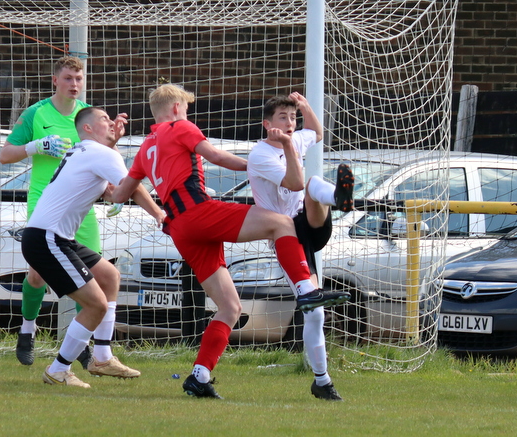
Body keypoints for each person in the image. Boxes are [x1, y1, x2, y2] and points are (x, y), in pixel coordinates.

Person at [110, 83, 350, 399]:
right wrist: (254, 166)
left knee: (230, 307)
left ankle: (199, 376)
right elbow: (214, 155)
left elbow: (120, 194)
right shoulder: (179, 125)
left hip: (181, 230)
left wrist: (116, 152)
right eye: (187, 108)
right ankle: (306, 291)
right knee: (279, 223)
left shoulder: (144, 149)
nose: (188, 113)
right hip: (199, 212)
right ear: (177, 108)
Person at [22, 106, 165, 387]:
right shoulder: (101, 154)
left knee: (110, 277)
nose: (112, 123)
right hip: (47, 238)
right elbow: (130, 187)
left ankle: (102, 356)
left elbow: (113, 193)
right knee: (96, 304)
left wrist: (113, 143)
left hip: (54, 237)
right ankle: (58, 370)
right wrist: (160, 214)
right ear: (87, 128)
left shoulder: (83, 151)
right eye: (104, 120)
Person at [247, 92, 354, 401]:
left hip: (311, 225)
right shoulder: (261, 155)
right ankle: (322, 381)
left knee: (314, 185)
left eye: (293, 118)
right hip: (286, 236)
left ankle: (339, 198)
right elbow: (293, 182)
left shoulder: (295, 137)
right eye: (283, 117)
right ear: (267, 125)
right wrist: (287, 145)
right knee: (315, 312)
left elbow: (317, 133)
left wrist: (306, 108)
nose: (290, 123)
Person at [0, 56, 101, 369]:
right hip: (45, 203)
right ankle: (27, 330)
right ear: (55, 80)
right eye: (68, 78)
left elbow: (102, 154)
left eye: (79, 79)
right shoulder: (36, 112)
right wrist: (36, 146)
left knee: (92, 275)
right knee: (38, 273)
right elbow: (4, 155)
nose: (74, 84)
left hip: (80, 207)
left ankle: (80, 343)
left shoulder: (88, 116)